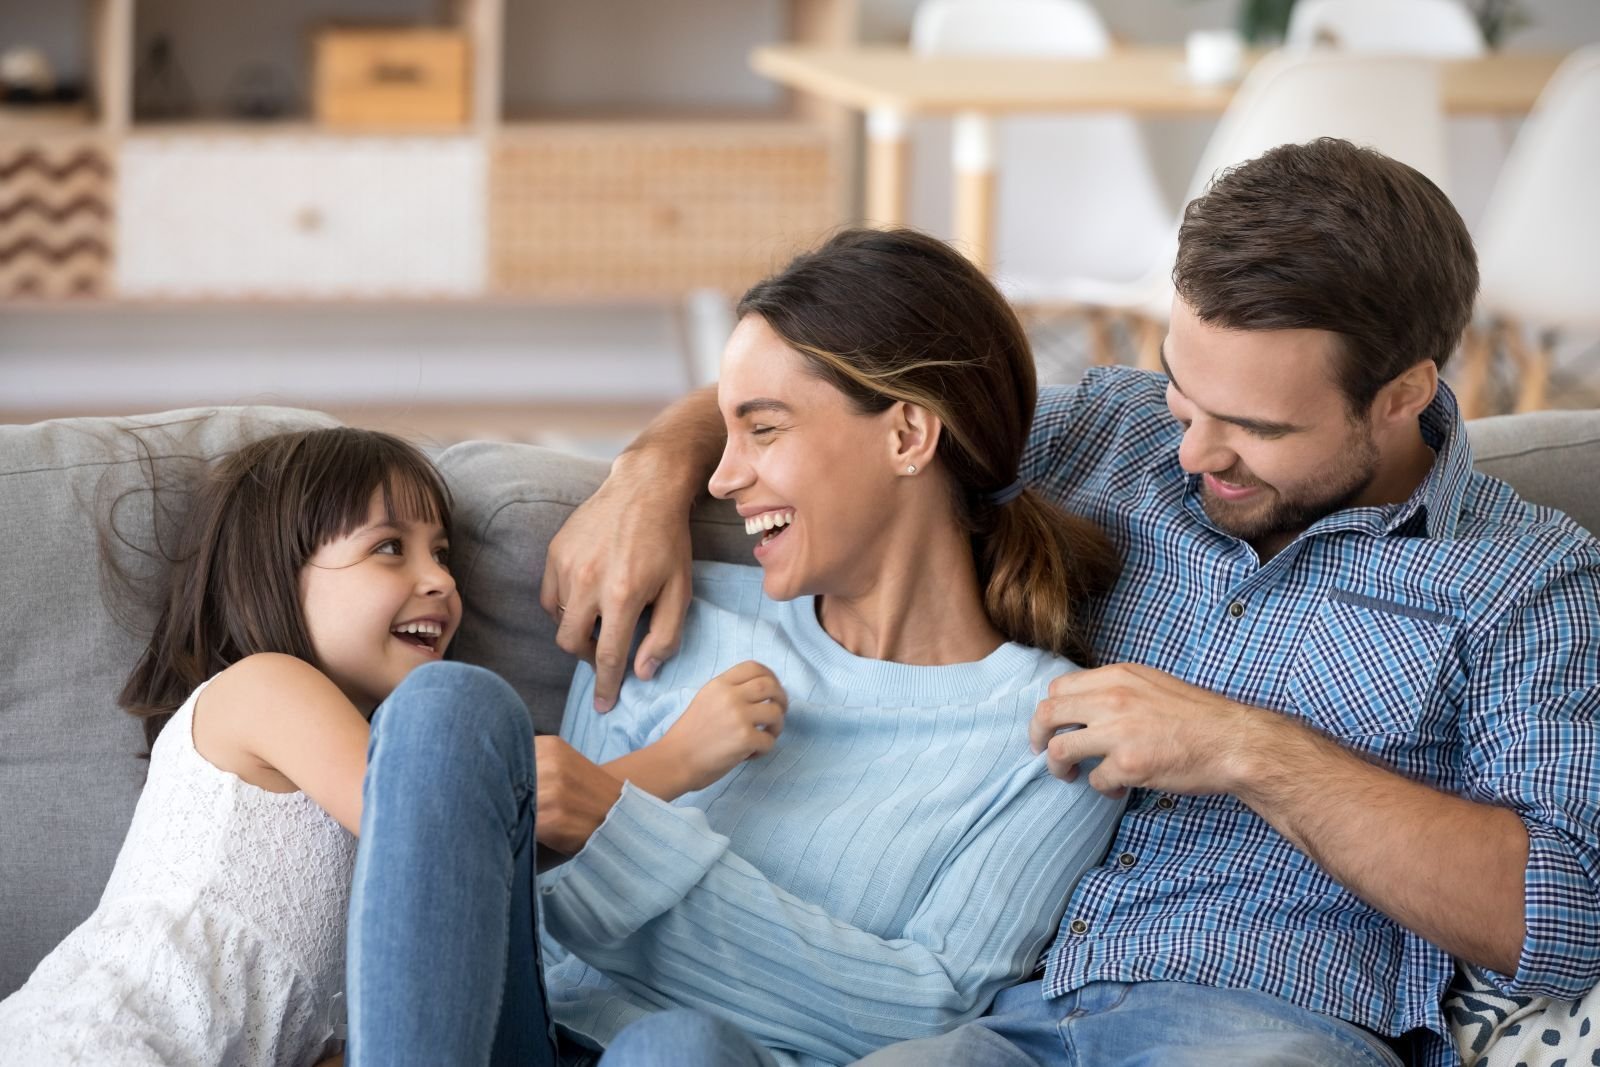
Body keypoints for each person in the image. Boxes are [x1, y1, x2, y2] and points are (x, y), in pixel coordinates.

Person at [543, 138, 1600, 1067]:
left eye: (1254, 429)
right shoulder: (1108, 431)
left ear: (1403, 393)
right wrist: (649, 471)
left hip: (1268, 1021)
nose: (1190, 453)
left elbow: (1559, 914)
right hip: (1003, 1015)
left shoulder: (1521, 580)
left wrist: (1248, 748)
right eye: (1184, 395)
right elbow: (855, 390)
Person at [341, 226, 1127, 1066]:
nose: (720, 478)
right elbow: (541, 925)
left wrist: (619, 826)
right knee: (447, 705)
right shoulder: (675, 613)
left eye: (764, 429)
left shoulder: (1051, 736)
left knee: (678, 1048)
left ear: (906, 436)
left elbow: (914, 1008)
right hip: (516, 1035)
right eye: (725, 433)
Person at [0, 426, 467, 1067]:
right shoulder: (267, 685)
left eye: (443, 554)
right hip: (100, 1040)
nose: (439, 578)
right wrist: (651, 773)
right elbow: (449, 834)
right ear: (275, 574)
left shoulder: (359, 765)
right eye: (390, 547)